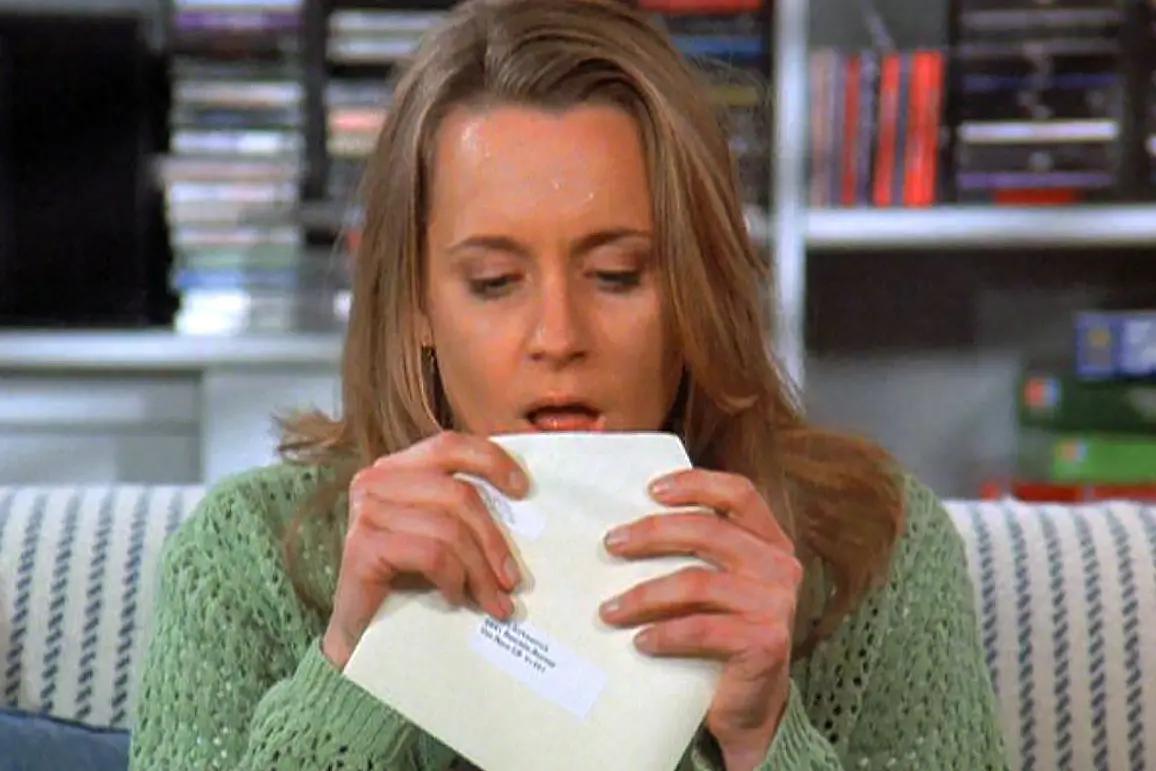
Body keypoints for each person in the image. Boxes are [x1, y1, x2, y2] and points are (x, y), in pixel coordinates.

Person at [129, 1, 1008, 769]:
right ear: (417, 306)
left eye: (617, 275)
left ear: (696, 287)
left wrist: (763, 736)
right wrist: (357, 661)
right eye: (494, 283)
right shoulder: (245, 558)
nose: (558, 338)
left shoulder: (878, 552)